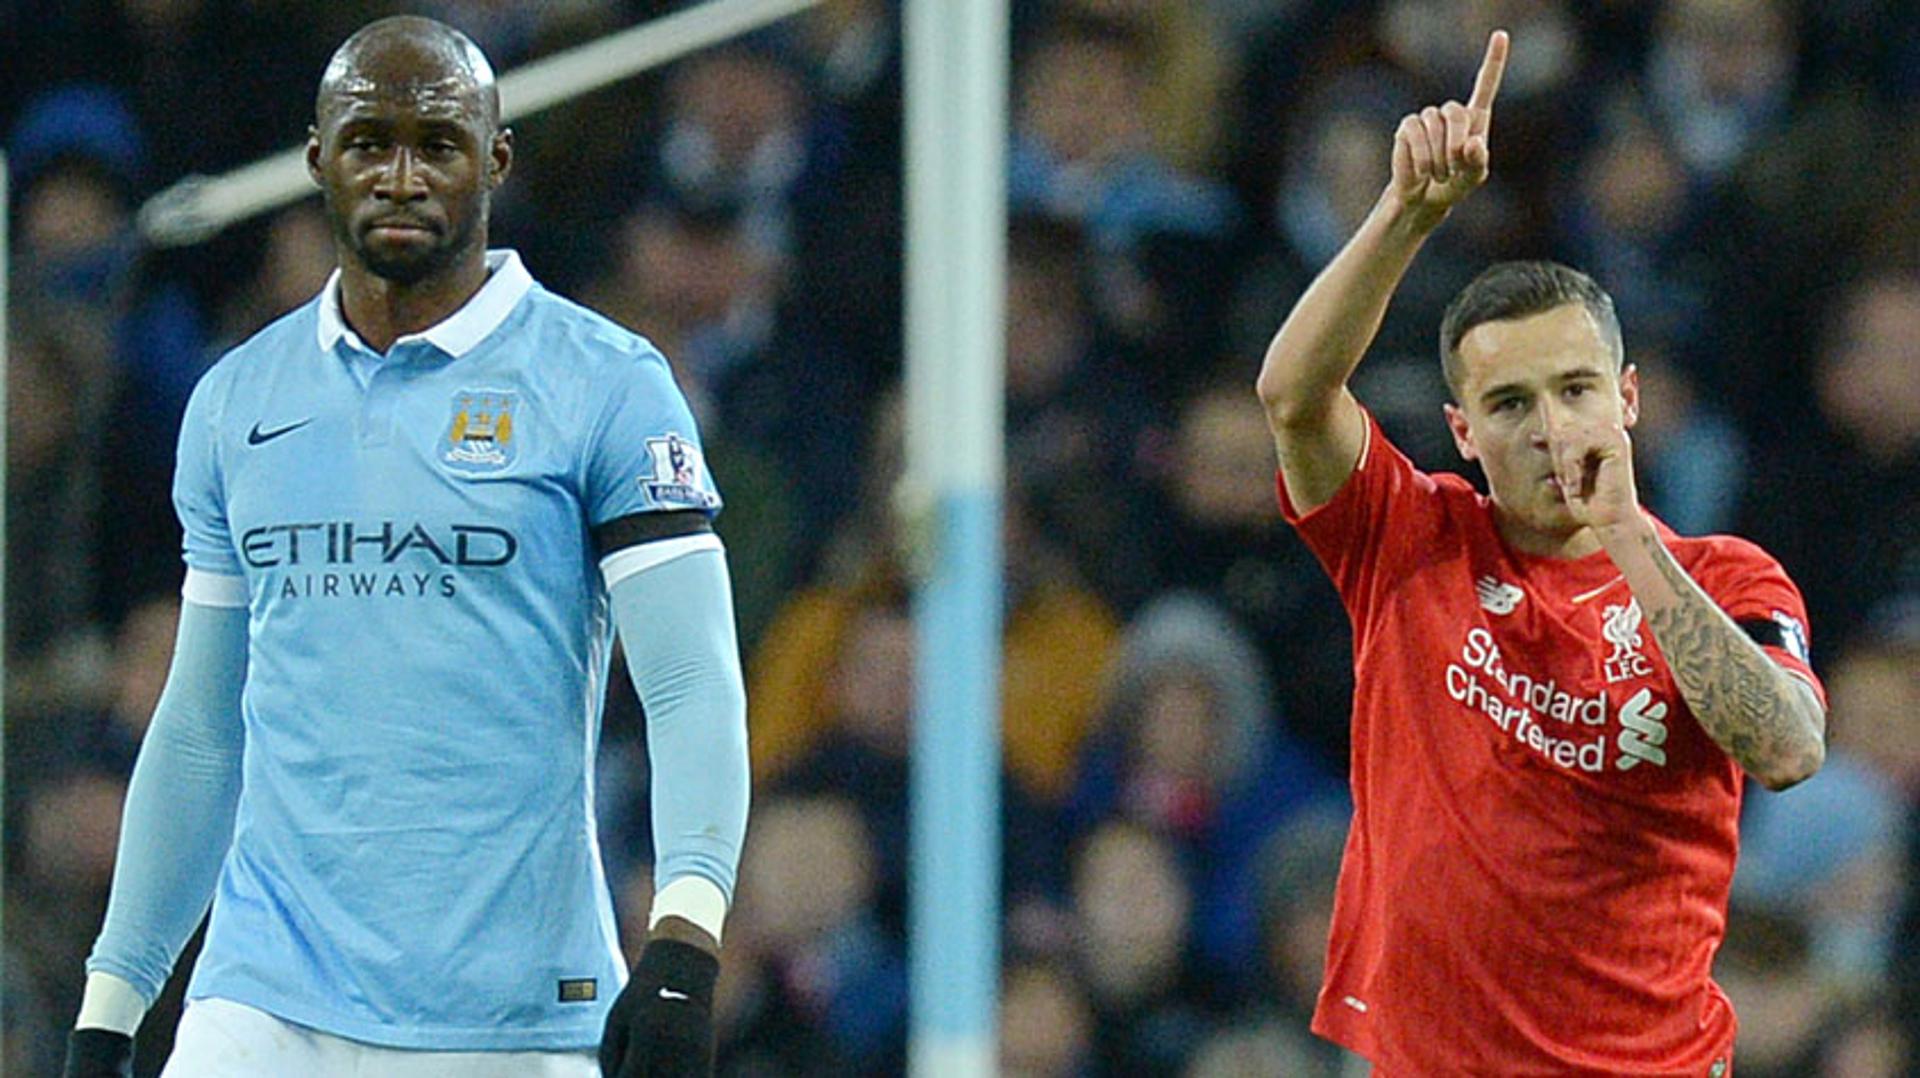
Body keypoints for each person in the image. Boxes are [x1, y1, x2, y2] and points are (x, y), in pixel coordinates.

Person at [62, 16, 750, 1078]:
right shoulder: (237, 400)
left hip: (516, 1017)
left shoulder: (607, 385)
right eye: (368, 141)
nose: (400, 175)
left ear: (497, 160)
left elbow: (692, 685)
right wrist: (115, 999)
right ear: (316, 160)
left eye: (437, 144)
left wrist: (685, 935)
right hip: (261, 1006)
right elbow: (203, 724)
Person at [1254, 30, 1829, 1074]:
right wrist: (1408, 216)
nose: (1550, 426)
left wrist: (1624, 537)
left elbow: (1786, 748)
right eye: (1510, 403)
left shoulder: (1727, 577)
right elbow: (1293, 396)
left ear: (1629, 397)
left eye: (1575, 390)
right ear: (1464, 430)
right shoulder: (1411, 536)